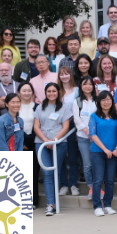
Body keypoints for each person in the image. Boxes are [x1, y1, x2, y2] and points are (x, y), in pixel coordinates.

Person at [33, 83, 71, 216]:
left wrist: (54, 140)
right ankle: (51, 204)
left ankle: (55, 202)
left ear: (58, 92)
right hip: (41, 143)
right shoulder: (39, 107)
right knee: (47, 173)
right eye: (48, 91)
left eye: (54, 91)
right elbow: (36, 127)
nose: (51, 93)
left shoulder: (64, 108)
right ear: (45, 93)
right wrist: (45, 140)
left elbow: (65, 127)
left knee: (56, 172)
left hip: (59, 143)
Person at [87, 91, 117, 217]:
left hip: (113, 152)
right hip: (98, 152)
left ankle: (107, 204)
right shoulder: (94, 116)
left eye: (108, 99)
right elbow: (93, 134)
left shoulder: (116, 116)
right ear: (99, 102)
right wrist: (105, 149)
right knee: (98, 179)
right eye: (103, 100)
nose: (106, 102)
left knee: (110, 180)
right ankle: (97, 206)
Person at [55, 65, 80, 197]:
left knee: (73, 157)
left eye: (66, 74)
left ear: (70, 75)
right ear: (59, 77)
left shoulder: (77, 90)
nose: (64, 76)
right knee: (62, 157)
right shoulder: (56, 91)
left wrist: (77, 129)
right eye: (61, 74)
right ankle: (64, 184)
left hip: (72, 126)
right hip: (59, 126)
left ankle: (74, 184)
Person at [73, 76, 99, 202]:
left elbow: (100, 116)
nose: (88, 86)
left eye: (90, 84)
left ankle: (99, 187)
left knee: (98, 163)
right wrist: (87, 131)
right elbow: (76, 118)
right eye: (85, 84)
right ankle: (91, 188)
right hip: (83, 137)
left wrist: (93, 132)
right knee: (87, 164)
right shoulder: (77, 101)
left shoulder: (98, 100)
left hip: (98, 137)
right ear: (81, 86)